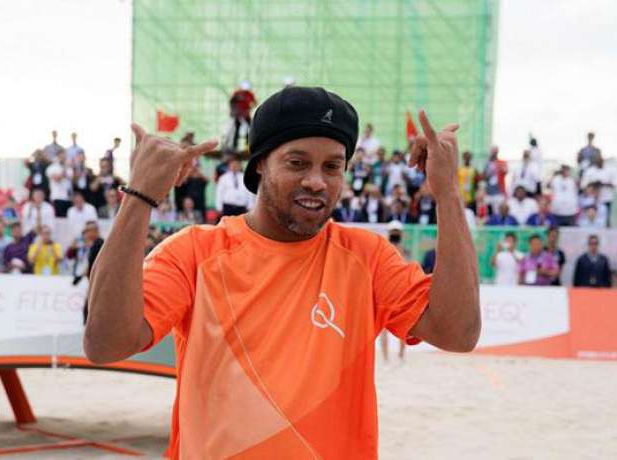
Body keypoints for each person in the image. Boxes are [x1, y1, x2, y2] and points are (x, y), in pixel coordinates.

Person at [85, 87, 480, 458]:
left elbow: (458, 333)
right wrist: (139, 197)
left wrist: (447, 194)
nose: (316, 181)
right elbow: (105, 344)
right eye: (297, 162)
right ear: (260, 163)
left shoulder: (367, 258)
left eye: (332, 167)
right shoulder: (196, 253)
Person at [379, 219, 411, 365]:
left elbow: (409, 268)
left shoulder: (405, 251)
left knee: (404, 325)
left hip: (401, 291)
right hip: (385, 291)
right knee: (384, 328)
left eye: (397, 233)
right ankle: (385, 358)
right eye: (393, 232)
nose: (395, 235)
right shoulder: (382, 250)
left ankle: (401, 355)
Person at [581, 156, 615, 227]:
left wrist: (604, 183)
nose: (600, 163)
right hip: (591, 200)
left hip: (606, 199)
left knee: (605, 219)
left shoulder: (610, 170)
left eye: (601, 162)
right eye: (598, 161)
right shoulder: (590, 171)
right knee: (589, 218)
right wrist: (595, 183)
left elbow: (615, 183)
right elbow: (584, 185)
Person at [45, 149, 74, 217]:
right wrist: (65, 168)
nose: (64, 157)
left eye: (65, 155)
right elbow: (57, 179)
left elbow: (71, 179)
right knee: (59, 219)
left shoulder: (69, 168)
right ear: (57, 156)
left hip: (68, 198)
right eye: (62, 155)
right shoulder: (52, 168)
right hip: (57, 197)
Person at [482, 146, 508, 210]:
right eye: (493, 152)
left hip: (499, 192)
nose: (494, 153)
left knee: (498, 210)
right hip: (489, 192)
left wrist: (497, 166)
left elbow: (505, 171)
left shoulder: (502, 162)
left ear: (497, 152)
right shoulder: (487, 163)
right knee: (488, 211)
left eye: (495, 152)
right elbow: (484, 176)